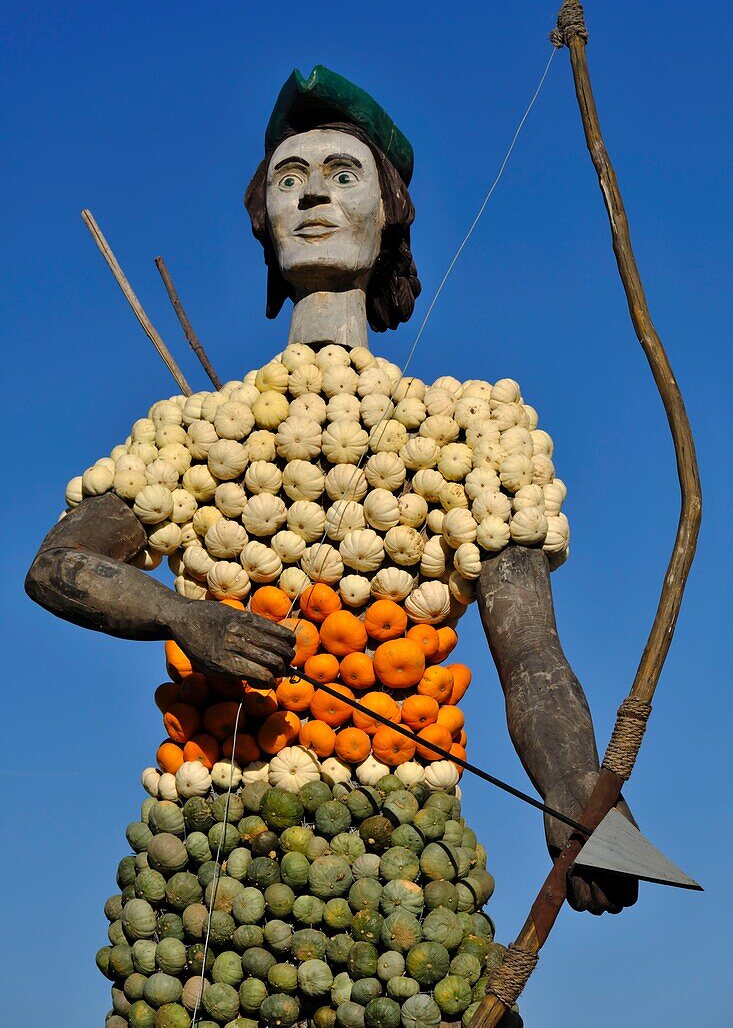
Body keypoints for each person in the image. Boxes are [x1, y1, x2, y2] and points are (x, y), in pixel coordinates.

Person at [26, 64, 636, 923]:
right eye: (289, 180)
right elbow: (58, 564)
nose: (312, 198)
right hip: (210, 859)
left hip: (399, 855)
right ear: (263, 221)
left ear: (387, 213)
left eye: (341, 176)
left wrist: (583, 807)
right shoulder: (196, 431)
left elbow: (530, 658)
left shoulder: (466, 428)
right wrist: (182, 617)